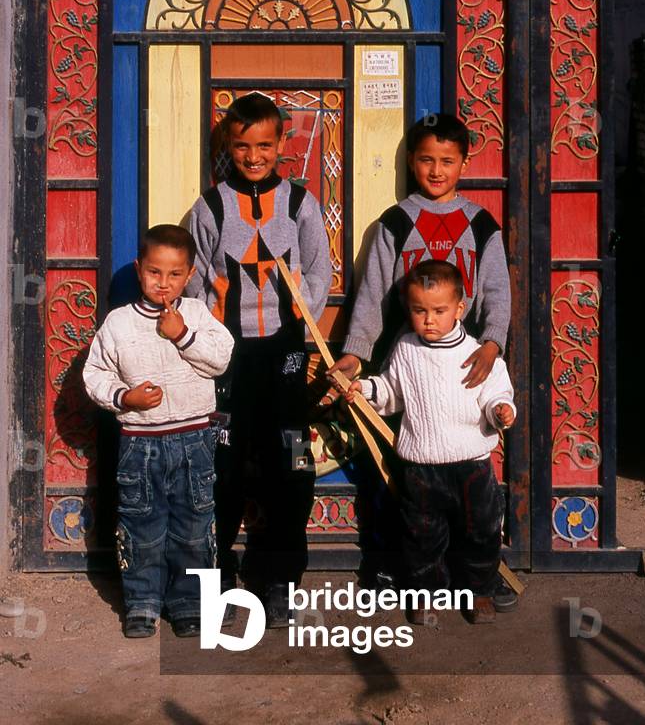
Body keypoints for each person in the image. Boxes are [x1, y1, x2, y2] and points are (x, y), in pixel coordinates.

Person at [328, 112, 516, 610]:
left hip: (464, 359)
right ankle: (402, 573)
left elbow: (497, 290)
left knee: (473, 492)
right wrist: (355, 355)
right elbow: (370, 296)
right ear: (412, 162)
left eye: (447, 161)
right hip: (405, 362)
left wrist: (492, 343)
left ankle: (475, 577)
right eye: (427, 160)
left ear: (463, 162)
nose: (436, 170)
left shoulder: (481, 224)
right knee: (407, 487)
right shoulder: (394, 222)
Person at [186, 92, 332, 627]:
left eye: (264, 146)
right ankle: (216, 578)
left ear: (281, 144)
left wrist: (302, 308)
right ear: (229, 144)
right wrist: (209, 319)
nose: (253, 157)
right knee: (221, 467)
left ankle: (279, 578)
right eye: (243, 146)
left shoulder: (300, 203)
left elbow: (320, 272)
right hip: (227, 360)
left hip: (286, 356)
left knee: (290, 465)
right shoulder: (209, 207)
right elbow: (194, 279)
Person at [341, 260, 515, 626]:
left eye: (439, 311)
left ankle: (479, 590)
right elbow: (391, 391)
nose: (429, 320)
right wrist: (366, 389)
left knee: (481, 531)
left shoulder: (478, 354)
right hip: (421, 468)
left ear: (459, 309)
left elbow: (495, 392)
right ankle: (425, 594)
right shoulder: (405, 349)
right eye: (420, 311)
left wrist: (501, 409)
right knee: (422, 536)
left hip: (471, 465)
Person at [83, 225, 234, 639]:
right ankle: (142, 603)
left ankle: (188, 603)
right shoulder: (118, 324)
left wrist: (182, 334)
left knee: (193, 526)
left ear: (189, 276)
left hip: (193, 441)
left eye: (173, 274)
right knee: (141, 525)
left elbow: (221, 358)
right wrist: (124, 397)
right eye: (154, 272)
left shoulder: (199, 315)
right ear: (139, 270)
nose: (162, 283)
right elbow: (94, 373)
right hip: (139, 443)